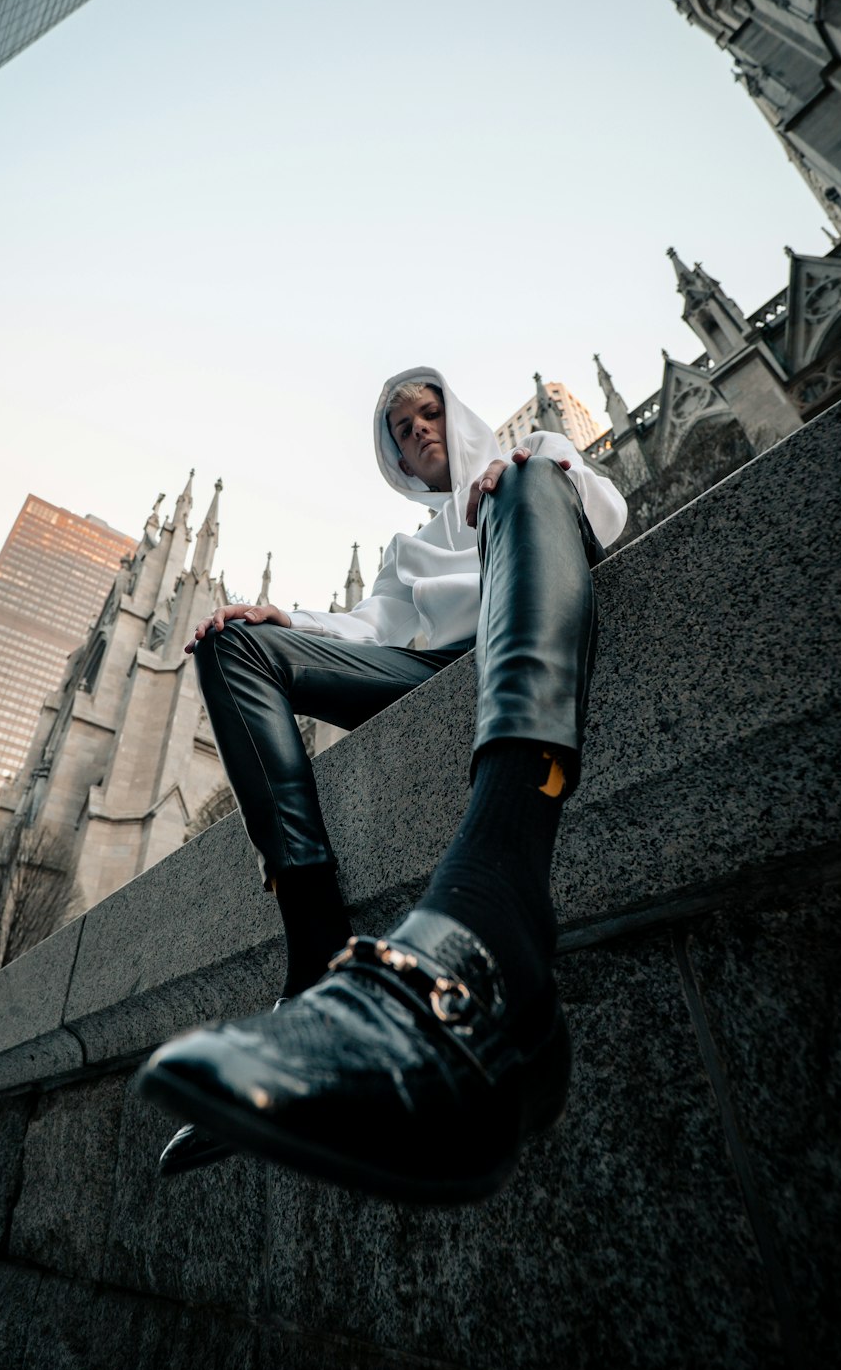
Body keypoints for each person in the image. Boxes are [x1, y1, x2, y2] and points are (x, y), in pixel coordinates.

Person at [141, 367, 627, 1204]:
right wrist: (286, 621)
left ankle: (499, 891)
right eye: (402, 429)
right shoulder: (408, 549)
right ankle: (316, 958)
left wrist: (523, 479)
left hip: (524, 624)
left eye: (429, 413)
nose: (420, 431)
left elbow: (606, 518)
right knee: (233, 647)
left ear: (456, 414)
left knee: (531, 485)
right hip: (424, 668)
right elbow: (374, 628)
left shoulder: (530, 452)